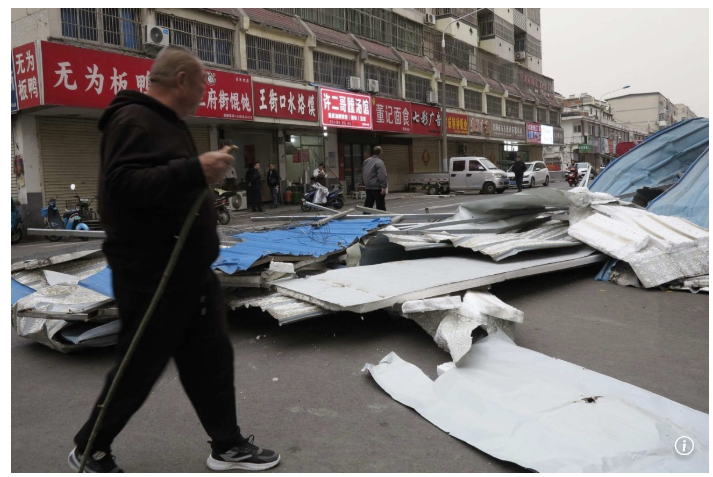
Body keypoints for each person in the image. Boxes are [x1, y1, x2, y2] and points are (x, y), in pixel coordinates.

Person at [68, 45, 280, 473]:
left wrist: (197, 177)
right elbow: (122, 187)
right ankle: (91, 447)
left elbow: (165, 187)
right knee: (139, 366)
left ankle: (227, 445)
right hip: (153, 275)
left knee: (211, 360)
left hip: (188, 273)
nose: (204, 93)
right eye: (201, 84)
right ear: (181, 80)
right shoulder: (134, 120)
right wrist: (194, 170)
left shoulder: (166, 123)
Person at [362, 146, 388, 211]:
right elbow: (382, 174)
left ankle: (366, 216)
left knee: (368, 204)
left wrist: (365, 183)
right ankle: (382, 217)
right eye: (382, 151)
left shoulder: (366, 161)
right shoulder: (379, 162)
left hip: (368, 186)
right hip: (377, 187)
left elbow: (363, 172)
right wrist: (383, 187)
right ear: (380, 152)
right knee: (380, 206)